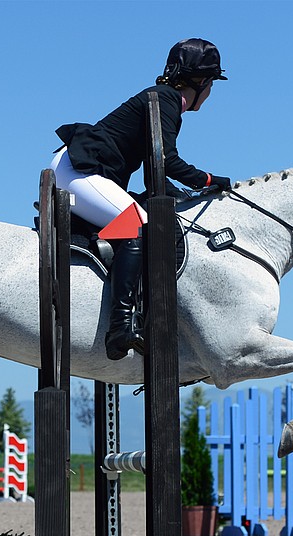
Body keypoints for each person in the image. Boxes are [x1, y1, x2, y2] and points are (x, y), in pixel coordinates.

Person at [51, 38, 231, 360]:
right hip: (78, 170)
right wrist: (209, 180)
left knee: (137, 217)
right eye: (212, 83)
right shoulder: (167, 101)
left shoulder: (164, 99)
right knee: (137, 224)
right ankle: (120, 324)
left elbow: (156, 168)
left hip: (81, 170)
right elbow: (168, 162)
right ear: (202, 82)